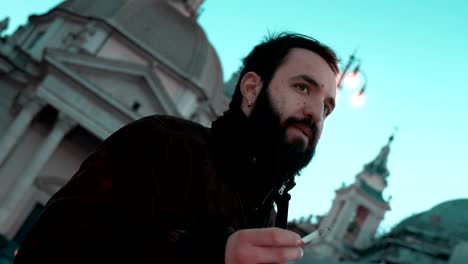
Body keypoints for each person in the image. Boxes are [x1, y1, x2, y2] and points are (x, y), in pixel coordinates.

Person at [14, 32, 339, 264]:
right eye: (302, 87)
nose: (314, 113)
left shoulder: (267, 214)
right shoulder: (162, 143)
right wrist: (210, 256)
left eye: (326, 107)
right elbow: (51, 249)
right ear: (252, 89)